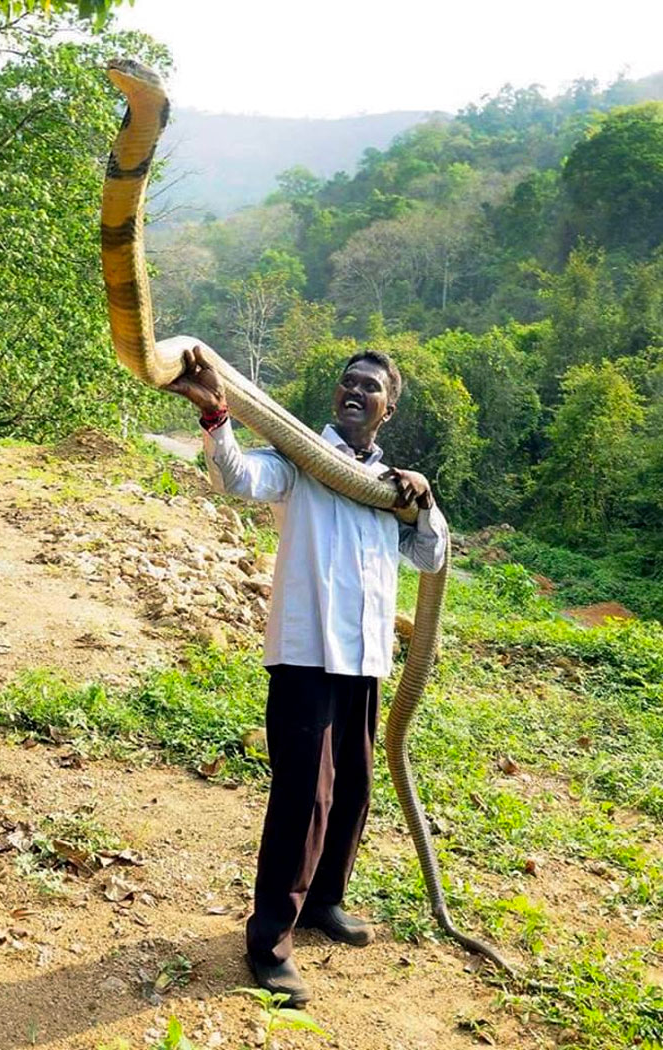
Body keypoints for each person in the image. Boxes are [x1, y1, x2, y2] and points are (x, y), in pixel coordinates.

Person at [166, 342, 448, 1006]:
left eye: (370, 386)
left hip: (365, 660)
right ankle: (269, 944)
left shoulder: (391, 488)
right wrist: (217, 418)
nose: (355, 390)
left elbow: (432, 557)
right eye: (348, 381)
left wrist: (424, 500)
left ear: (387, 408)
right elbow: (238, 478)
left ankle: (324, 902)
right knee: (304, 799)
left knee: (352, 789)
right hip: (306, 655)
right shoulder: (300, 459)